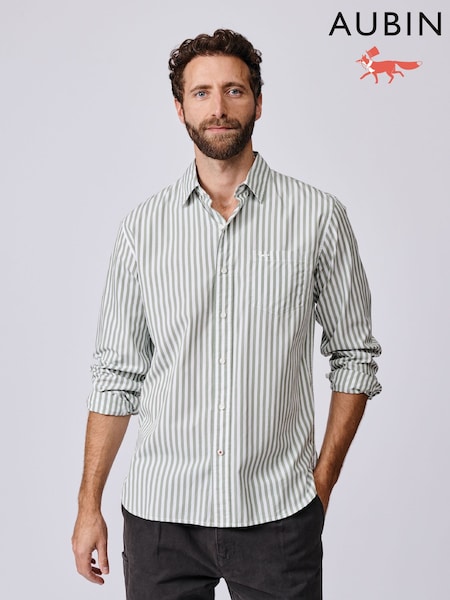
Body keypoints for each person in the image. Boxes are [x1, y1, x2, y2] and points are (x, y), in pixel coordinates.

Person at [72, 28, 381, 600]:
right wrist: (89, 503)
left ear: (258, 102)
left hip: (277, 514)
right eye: (202, 92)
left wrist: (321, 485)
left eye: (234, 90)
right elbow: (116, 374)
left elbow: (355, 358)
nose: (218, 107)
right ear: (180, 108)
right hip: (160, 517)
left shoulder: (317, 217)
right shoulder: (142, 230)